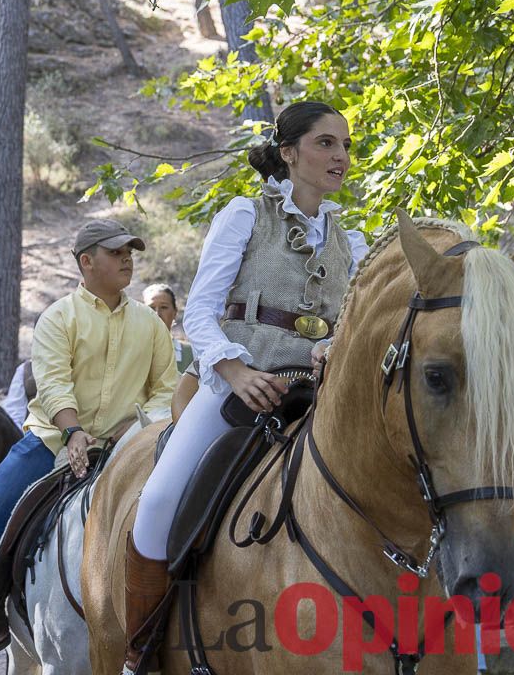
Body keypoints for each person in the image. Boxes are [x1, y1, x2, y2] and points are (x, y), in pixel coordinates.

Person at [122, 101, 369, 674]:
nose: (340, 156)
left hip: (322, 394)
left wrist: (337, 345)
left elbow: (353, 325)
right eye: (326, 143)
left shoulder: (353, 241)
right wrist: (235, 371)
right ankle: (140, 650)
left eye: (346, 145)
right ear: (289, 153)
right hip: (241, 387)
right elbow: (201, 311)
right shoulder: (244, 214)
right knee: (156, 504)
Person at [0, 218, 178, 672]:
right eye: (116, 253)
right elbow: (53, 382)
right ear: (86, 261)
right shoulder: (58, 317)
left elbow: (166, 389)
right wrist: (74, 431)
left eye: (129, 252)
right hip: (52, 440)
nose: (127, 259)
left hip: (129, 446)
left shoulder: (151, 325)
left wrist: (133, 428)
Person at [143, 283, 195, 374]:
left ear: (175, 312)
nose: (157, 314)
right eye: (151, 308)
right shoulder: (130, 351)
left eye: (164, 307)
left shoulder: (191, 353)